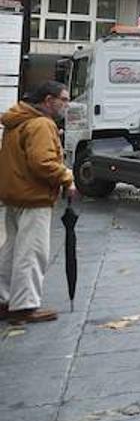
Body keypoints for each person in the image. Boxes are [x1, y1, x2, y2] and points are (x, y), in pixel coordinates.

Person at [0, 82, 76, 324]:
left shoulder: (17, 120)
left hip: (15, 194)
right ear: (47, 99)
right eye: (63, 99)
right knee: (31, 252)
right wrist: (67, 177)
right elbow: (42, 163)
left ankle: (4, 299)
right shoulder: (41, 123)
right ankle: (24, 306)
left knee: (11, 250)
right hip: (34, 196)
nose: (66, 104)